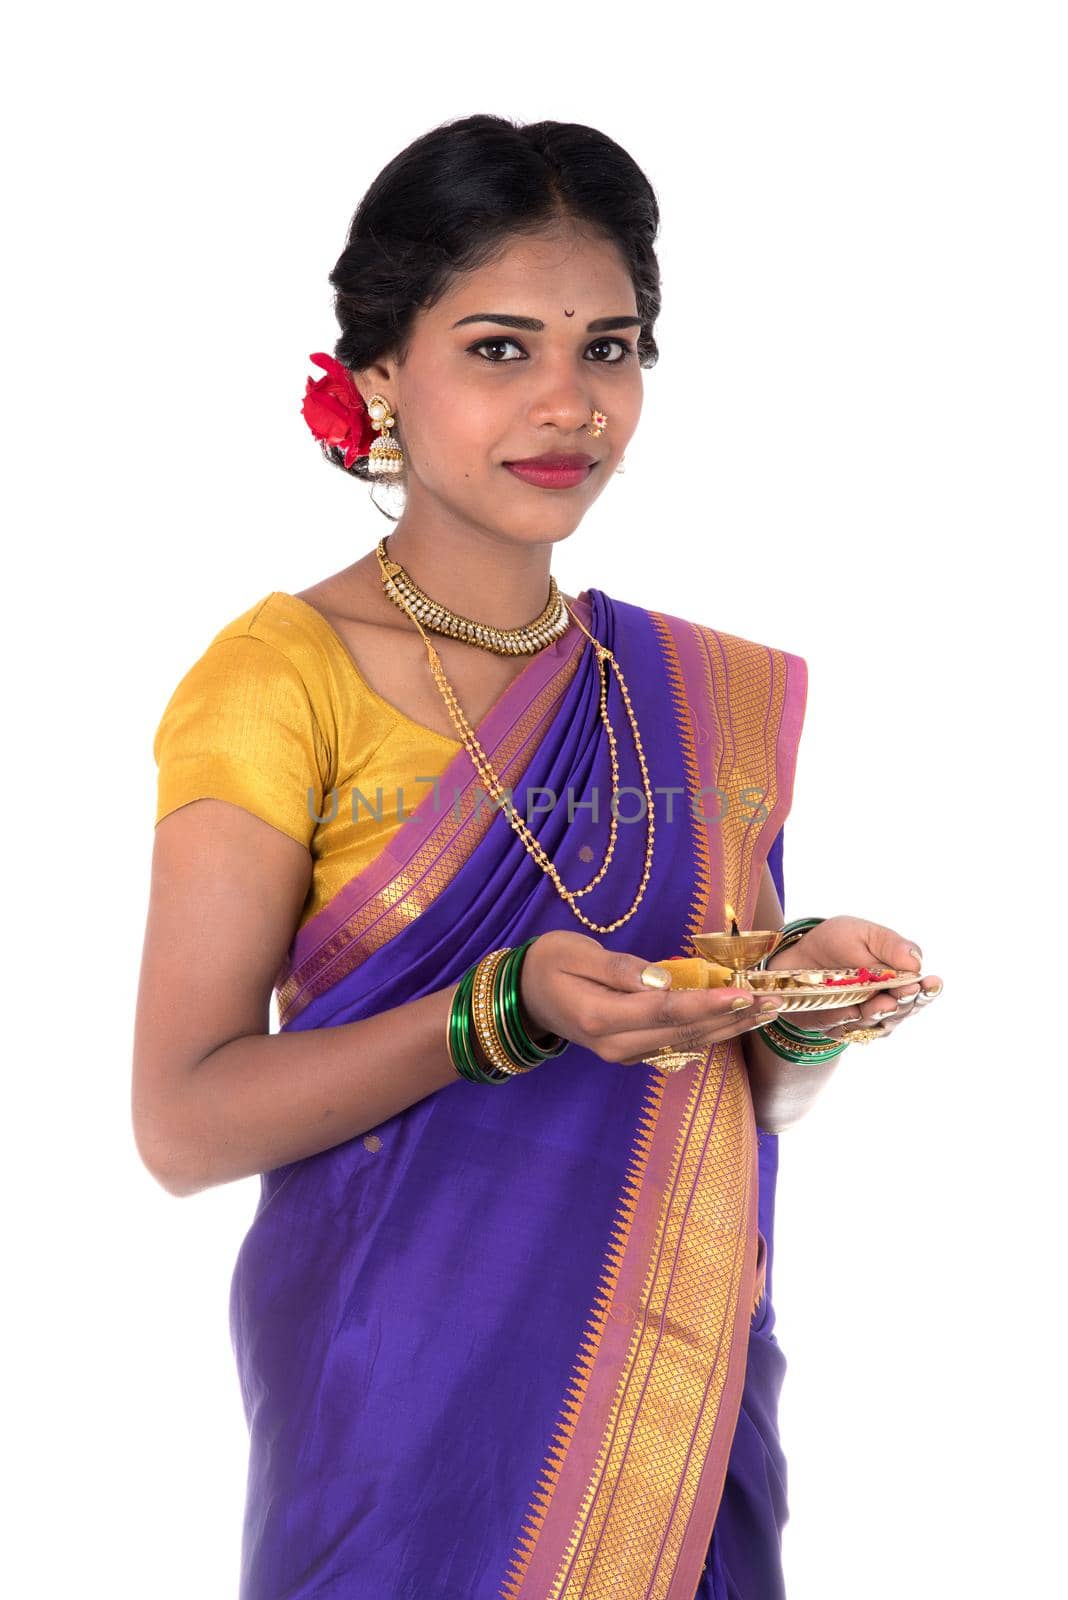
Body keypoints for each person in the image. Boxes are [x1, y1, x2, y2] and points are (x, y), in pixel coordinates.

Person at [133, 113, 943, 1600]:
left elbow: (746, 1089)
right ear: (381, 371)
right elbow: (183, 1123)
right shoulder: (277, 680)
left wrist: (805, 1005)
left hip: (672, 1405)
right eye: (502, 348)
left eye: (612, 349)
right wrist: (503, 1010)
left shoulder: (700, 694)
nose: (569, 404)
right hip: (398, 1424)